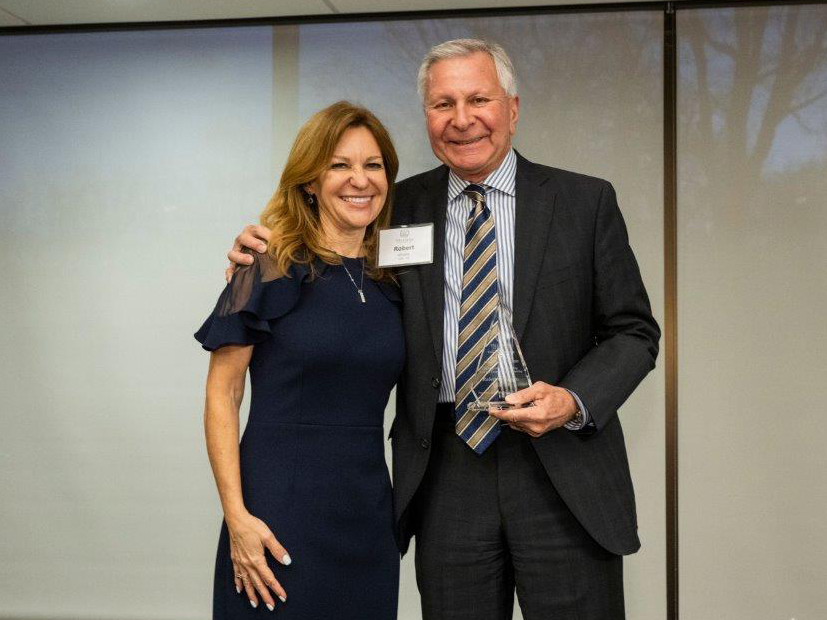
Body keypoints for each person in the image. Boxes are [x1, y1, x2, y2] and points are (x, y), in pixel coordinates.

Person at [227, 40, 660, 620]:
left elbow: (634, 330)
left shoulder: (584, 202)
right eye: (443, 103)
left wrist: (573, 400)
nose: (462, 119)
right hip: (446, 476)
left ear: (512, 107)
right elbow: (325, 257)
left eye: (478, 99)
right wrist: (256, 254)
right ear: (427, 116)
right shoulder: (391, 209)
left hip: (563, 473)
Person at [195, 101, 403, 618]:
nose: (360, 180)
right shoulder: (264, 266)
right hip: (277, 512)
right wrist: (237, 517)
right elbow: (223, 393)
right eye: (340, 165)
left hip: (368, 515)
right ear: (309, 181)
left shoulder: (395, 280)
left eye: (372, 165)